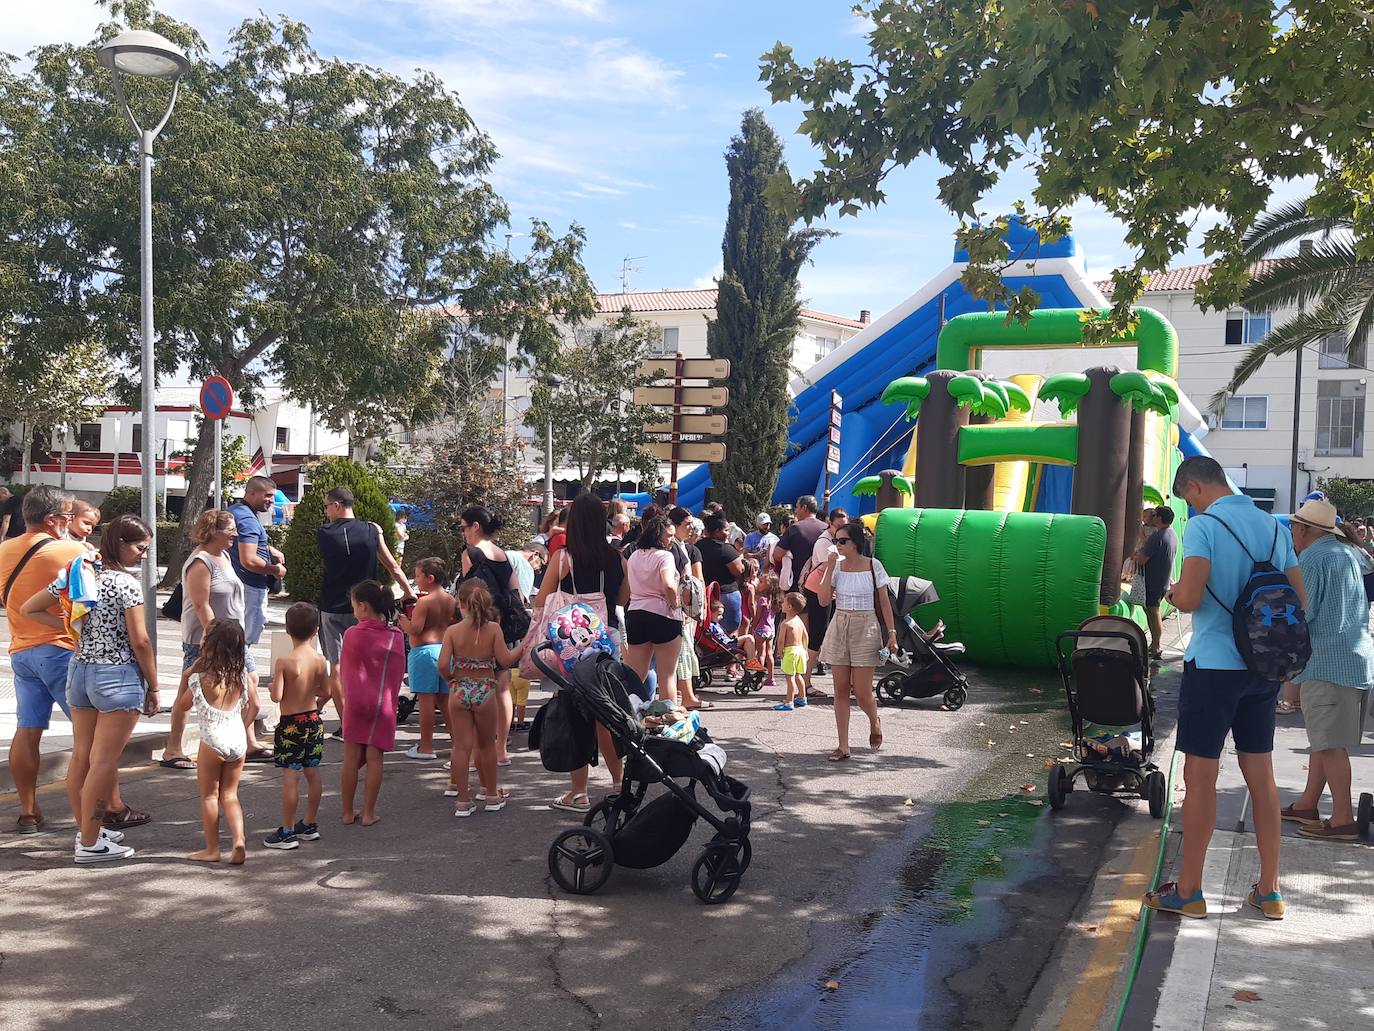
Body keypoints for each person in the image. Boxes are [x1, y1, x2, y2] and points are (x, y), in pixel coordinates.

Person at [1145, 456, 1304, 921]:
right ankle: (1270, 891)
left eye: (1187, 499)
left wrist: (1173, 593)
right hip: (1262, 666)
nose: (1190, 508)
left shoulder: (1204, 527)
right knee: (1261, 777)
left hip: (1214, 666)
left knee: (1200, 779)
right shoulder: (1273, 527)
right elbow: (1299, 598)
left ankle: (1189, 890)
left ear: (1195, 487)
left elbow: (1191, 597)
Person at [44, 515, 159, 862]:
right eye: (140, 548)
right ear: (121, 543)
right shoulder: (126, 584)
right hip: (117, 675)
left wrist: (71, 628)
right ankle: (91, 843)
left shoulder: (83, 572)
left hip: (80, 670)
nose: (143, 555)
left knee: (82, 756)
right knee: (104, 762)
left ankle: (87, 830)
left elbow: (30, 607)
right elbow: (140, 641)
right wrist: (154, 686)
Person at [2, 486, 102, 834]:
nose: (70, 523)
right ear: (52, 519)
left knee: (27, 730)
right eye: (67, 516)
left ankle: (28, 810)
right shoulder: (71, 550)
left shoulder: (3, 549)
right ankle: (104, 808)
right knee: (91, 734)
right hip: (61, 649)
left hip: (21, 650)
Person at [1280, 499, 1373, 841]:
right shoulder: (1347, 553)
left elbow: (1302, 613)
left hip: (1328, 663)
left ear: (1307, 529)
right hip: (1353, 660)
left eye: (1294, 525)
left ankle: (1343, 819)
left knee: (1330, 745)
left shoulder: (1312, 558)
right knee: (1323, 740)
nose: (1291, 531)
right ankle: (1308, 803)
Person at [538, 492, 631, 813]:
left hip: (571, 646)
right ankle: (619, 784)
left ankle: (579, 792)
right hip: (606, 642)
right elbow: (623, 599)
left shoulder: (563, 558)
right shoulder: (617, 558)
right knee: (606, 713)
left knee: (575, 714)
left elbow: (542, 599)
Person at [163, 510, 254, 770]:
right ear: (213, 531)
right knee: (188, 692)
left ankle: (246, 742)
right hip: (205, 640)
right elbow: (201, 605)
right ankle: (173, 749)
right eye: (230, 530)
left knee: (248, 685)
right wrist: (214, 639)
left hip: (232, 638)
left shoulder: (223, 556)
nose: (235, 534)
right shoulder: (200, 562)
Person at [317, 486, 414, 728]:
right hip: (367, 606)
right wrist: (409, 591)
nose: (326, 511)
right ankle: (371, 714)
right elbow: (392, 565)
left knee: (336, 665)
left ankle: (346, 723)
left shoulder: (324, 532)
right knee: (369, 662)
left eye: (327, 506)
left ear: (337, 505)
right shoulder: (372, 530)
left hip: (332, 604)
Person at [439, 580, 523, 817]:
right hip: (485, 690)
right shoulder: (494, 629)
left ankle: (462, 801)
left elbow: (443, 665)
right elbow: (505, 660)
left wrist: (451, 680)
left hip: (459, 690)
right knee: (486, 745)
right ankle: (492, 795)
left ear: (461, 603)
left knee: (461, 746)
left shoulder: (452, 631)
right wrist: (525, 645)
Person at [817, 519, 893, 761]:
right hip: (840, 623)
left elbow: (884, 603)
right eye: (835, 540)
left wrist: (892, 634)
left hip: (866, 625)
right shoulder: (836, 567)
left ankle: (874, 721)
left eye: (842, 541)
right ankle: (843, 746)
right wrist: (829, 568)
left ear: (856, 543)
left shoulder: (873, 565)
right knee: (840, 689)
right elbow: (822, 600)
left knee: (861, 693)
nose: (837, 545)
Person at [174, 619, 249, 864]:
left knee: (209, 796)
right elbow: (253, 705)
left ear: (209, 644)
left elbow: (182, 706)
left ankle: (212, 849)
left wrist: (187, 676)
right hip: (238, 739)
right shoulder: (241, 676)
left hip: (212, 741)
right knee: (230, 795)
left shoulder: (201, 679)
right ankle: (238, 840)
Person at [457, 506, 522, 767]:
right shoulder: (502, 554)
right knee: (502, 687)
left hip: (478, 626)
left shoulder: (470, 553)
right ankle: (501, 750)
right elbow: (516, 591)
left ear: (475, 526)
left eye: (463, 527)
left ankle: (477, 754)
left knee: (476, 689)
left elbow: (467, 594)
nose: (463, 532)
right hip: (503, 626)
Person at [338, 580, 405, 826]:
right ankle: (368, 813)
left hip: (355, 702)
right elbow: (397, 672)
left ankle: (347, 812)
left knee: (350, 758)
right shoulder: (395, 636)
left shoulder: (352, 634)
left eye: (354, 605)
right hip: (381, 704)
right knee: (375, 758)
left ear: (363, 606)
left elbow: (345, 672)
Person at [263, 602, 330, 850]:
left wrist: (272, 686)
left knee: (291, 777)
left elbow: (277, 696)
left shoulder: (285, 661)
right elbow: (326, 690)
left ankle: (287, 830)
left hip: (291, 724)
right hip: (313, 720)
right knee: (313, 772)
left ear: (287, 629)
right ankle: (309, 823)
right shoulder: (320, 659)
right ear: (316, 630)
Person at [228, 477, 286, 737]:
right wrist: (276, 570)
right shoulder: (249, 520)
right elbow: (249, 560)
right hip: (250, 587)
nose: (272, 501)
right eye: (268, 496)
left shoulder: (236, 512)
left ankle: (242, 699)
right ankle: (247, 701)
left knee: (240, 643)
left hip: (241, 586)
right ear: (251, 493)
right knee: (245, 644)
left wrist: (268, 547)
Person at [623, 512, 683, 716]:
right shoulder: (665, 556)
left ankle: (626, 713)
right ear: (658, 535)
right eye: (669, 535)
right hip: (662, 615)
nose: (672, 540)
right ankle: (668, 717)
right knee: (667, 675)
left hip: (636, 613)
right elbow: (668, 584)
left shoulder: (634, 556)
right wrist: (675, 603)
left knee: (635, 675)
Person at [398, 557, 455, 761]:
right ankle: (458, 742)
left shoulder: (424, 602)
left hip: (423, 652)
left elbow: (415, 629)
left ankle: (426, 747)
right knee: (445, 701)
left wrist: (402, 620)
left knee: (426, 702)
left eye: (418, 576)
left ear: (429, 578)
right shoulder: (450, 600)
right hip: (444, 651)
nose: (416, 579)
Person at [772, 496, 828, 682]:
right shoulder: (826, 529)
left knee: (799, 631)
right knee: (818, 630)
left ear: (804, 508)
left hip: (798, 587)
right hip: (823, 586)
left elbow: (777, 554)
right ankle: (812, 669)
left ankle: (798, 674)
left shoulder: (795, 529)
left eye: (797, 507)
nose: (795, 511)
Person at [1132, 506, 1179, 661]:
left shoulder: (1157, 537)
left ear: (1158, 518)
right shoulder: (1172, 534)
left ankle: (1156, 646)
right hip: (1162, 580)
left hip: (1153, 581)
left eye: (1154, 515)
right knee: (1152, 611)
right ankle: (1154, 644)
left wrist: (1135, 555)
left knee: (1153, 612)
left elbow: (1142, 560)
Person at [698, 514, 746, 632]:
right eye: (726, 530)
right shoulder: (725, 549)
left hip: (705, 593)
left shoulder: (697, 546)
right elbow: (739, 570)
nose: (728, 534)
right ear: (717, 531)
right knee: (729, 633)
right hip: (726, 595)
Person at [775, 592, 810, 710]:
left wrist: (780, 652)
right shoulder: (799, 621)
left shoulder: (785, 623)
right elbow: (805, 636)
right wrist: (805, 650)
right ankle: (802, 697)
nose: (782, 603)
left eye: (784, 602)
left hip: (790, 651)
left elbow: (781, 641)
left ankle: (789, 702)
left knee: (790, 678)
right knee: (799, 675)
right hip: (800, 650)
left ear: (789, 607)